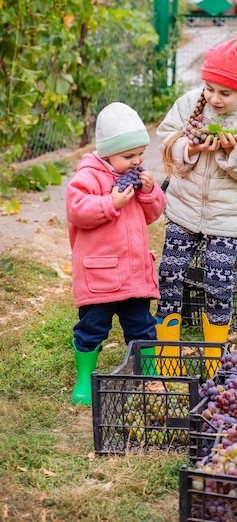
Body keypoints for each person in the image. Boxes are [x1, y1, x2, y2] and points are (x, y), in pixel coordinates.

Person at [155, 36, 237, 364]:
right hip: (184, 206)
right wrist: (189, 148)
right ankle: (167, 350)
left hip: (229, 215)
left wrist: (233, 150)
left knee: (217, 283)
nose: (215, 98)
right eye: (210, 89)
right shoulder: (189, 103)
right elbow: (165, 139)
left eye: (225, 93)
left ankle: (214, 356)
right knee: (169, 274)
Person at [66, 101, 167, 405]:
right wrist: (110, 204)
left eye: (140, 154)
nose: (137, 161)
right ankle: (85, 378)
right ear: (107, 153)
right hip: (101, 275)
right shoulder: (88, 176)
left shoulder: (135, 176)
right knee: (92, 327)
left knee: (143, 326)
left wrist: (149, 193)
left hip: (134, 273)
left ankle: (148, 377)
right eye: (129, 156)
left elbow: (153, 214)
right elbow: (76, 210)